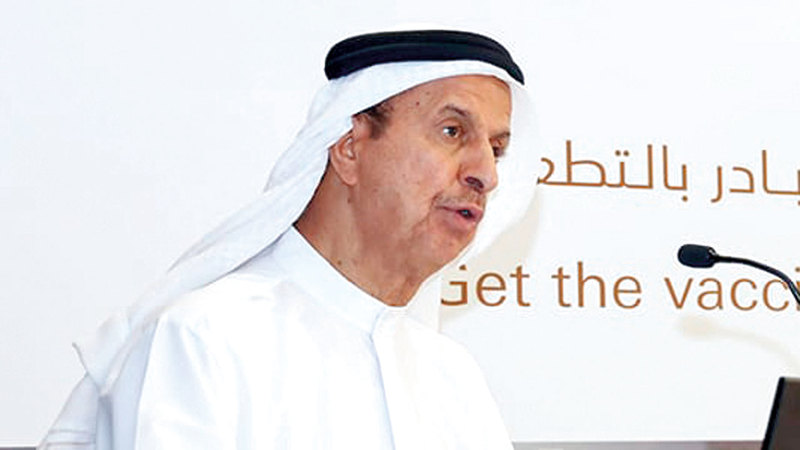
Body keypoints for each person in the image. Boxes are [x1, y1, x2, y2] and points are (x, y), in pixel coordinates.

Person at [39, 29, 537, 449]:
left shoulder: (453, 377)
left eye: (497, 149)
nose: (486, 173)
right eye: (452, 132)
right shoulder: (202, 340)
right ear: (349, 148)